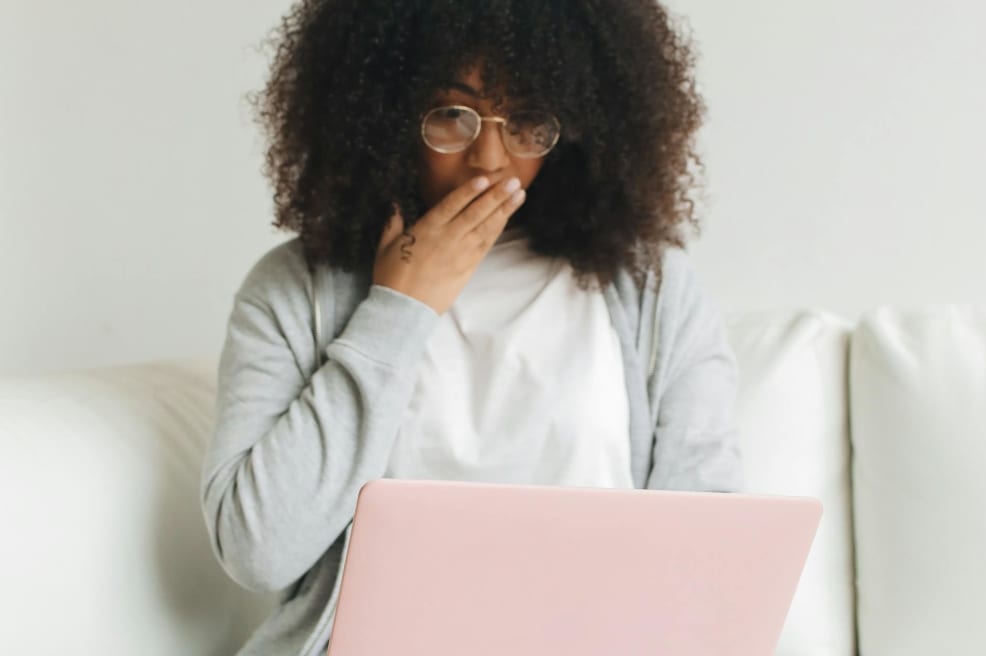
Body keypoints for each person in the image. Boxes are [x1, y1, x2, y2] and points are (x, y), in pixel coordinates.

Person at [199, 1, 745, 654]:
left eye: (527, 121)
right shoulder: (294, 292)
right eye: (453, 115)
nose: (489, 158)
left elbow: (709, 554)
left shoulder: (653, 290)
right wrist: (399, 310)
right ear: (383, 110)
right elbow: (257, 550)